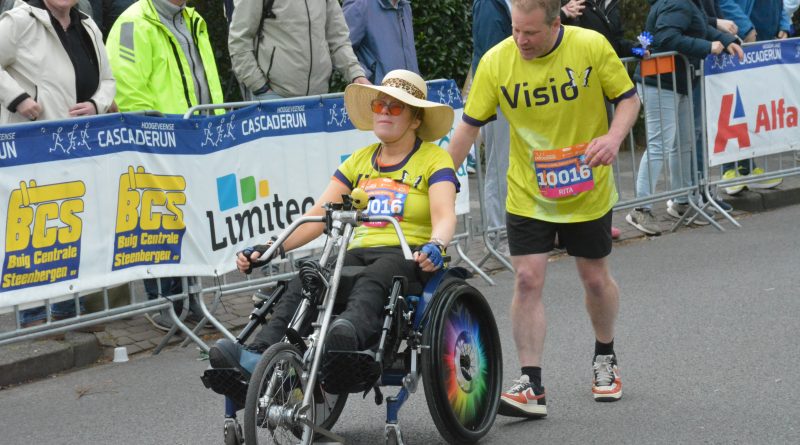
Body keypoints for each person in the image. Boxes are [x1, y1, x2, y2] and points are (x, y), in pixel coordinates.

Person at [446, 0, 640, 417]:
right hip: (529, 190)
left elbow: (628, 100)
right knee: (528, 279)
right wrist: (441, 178)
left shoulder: (589, 46)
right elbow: (468, 126)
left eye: (530, 33)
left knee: (593, 278)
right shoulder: (498, 60)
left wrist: (612, 138)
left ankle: (604, 355)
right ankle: (531, 382)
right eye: (516, 30)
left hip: (586, 187)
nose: (520, 40)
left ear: (556, 23)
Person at [208, 69, 458, 385]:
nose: (383, 112)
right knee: (309, 275)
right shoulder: (358, 161)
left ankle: (344, 339)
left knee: (378, 273)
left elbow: (445, 214)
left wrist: (437, 244)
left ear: (416, 120)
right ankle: (258, 355)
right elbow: (317, 216)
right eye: (379, 105)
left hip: (411, 256)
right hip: (357, 253)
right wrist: (270, 249)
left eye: (395, 107)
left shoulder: (435, 160)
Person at [106, 0, 224, 329]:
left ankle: (193, 300)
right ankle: (164, 303)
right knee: (159, 222)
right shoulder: (133, 22)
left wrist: (216, 122)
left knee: (193, 223)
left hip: (198, 139)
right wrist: (154, 135)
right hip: (160, 143)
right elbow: (127, 86)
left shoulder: (193, 19)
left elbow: (207, 80)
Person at [0, 0, 115, 326]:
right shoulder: (20, 21)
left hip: (75, 147)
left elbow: (108, 81)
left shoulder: (88, 26)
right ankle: (33, 316)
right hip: (29, 148)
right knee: (31, 232)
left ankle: (66, 312)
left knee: (68, 226)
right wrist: (17, 98)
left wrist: (96, 103)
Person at [626, 0, 744, 236]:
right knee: (661, 144)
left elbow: (697, 28)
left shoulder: (686, 3)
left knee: (683, 144)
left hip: (675, 81)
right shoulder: (678, 2)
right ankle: (640, 208)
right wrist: (707, 47)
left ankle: (682, 202)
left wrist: (727, 40)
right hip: (660, 82)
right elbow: (666, 38)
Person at [227, 0, 370, 101]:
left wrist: (356, 75)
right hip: (273, 100)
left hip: (317, 101)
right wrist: (260, 88)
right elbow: (239, 40)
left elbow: (338, 38)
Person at [717, 0, 789, 193]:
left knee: (752, 108)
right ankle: (729, 171)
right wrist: (746, 28)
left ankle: (747, 168)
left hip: (763, 45)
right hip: (740, 43)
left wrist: (784, 25)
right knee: (734, 107)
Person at [471, 0, 514, 251]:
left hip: (510, 94)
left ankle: (509, 234)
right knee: (500, 167)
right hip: (499, 96)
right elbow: (492, 53)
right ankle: (499, 238)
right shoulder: (488, 3)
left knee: (508, 165)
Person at [342, 0, 419, 85]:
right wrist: (363, 77)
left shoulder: (405, 6)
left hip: (408, 93)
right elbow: (341, 49)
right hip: (376, 95)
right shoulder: (359, 3)